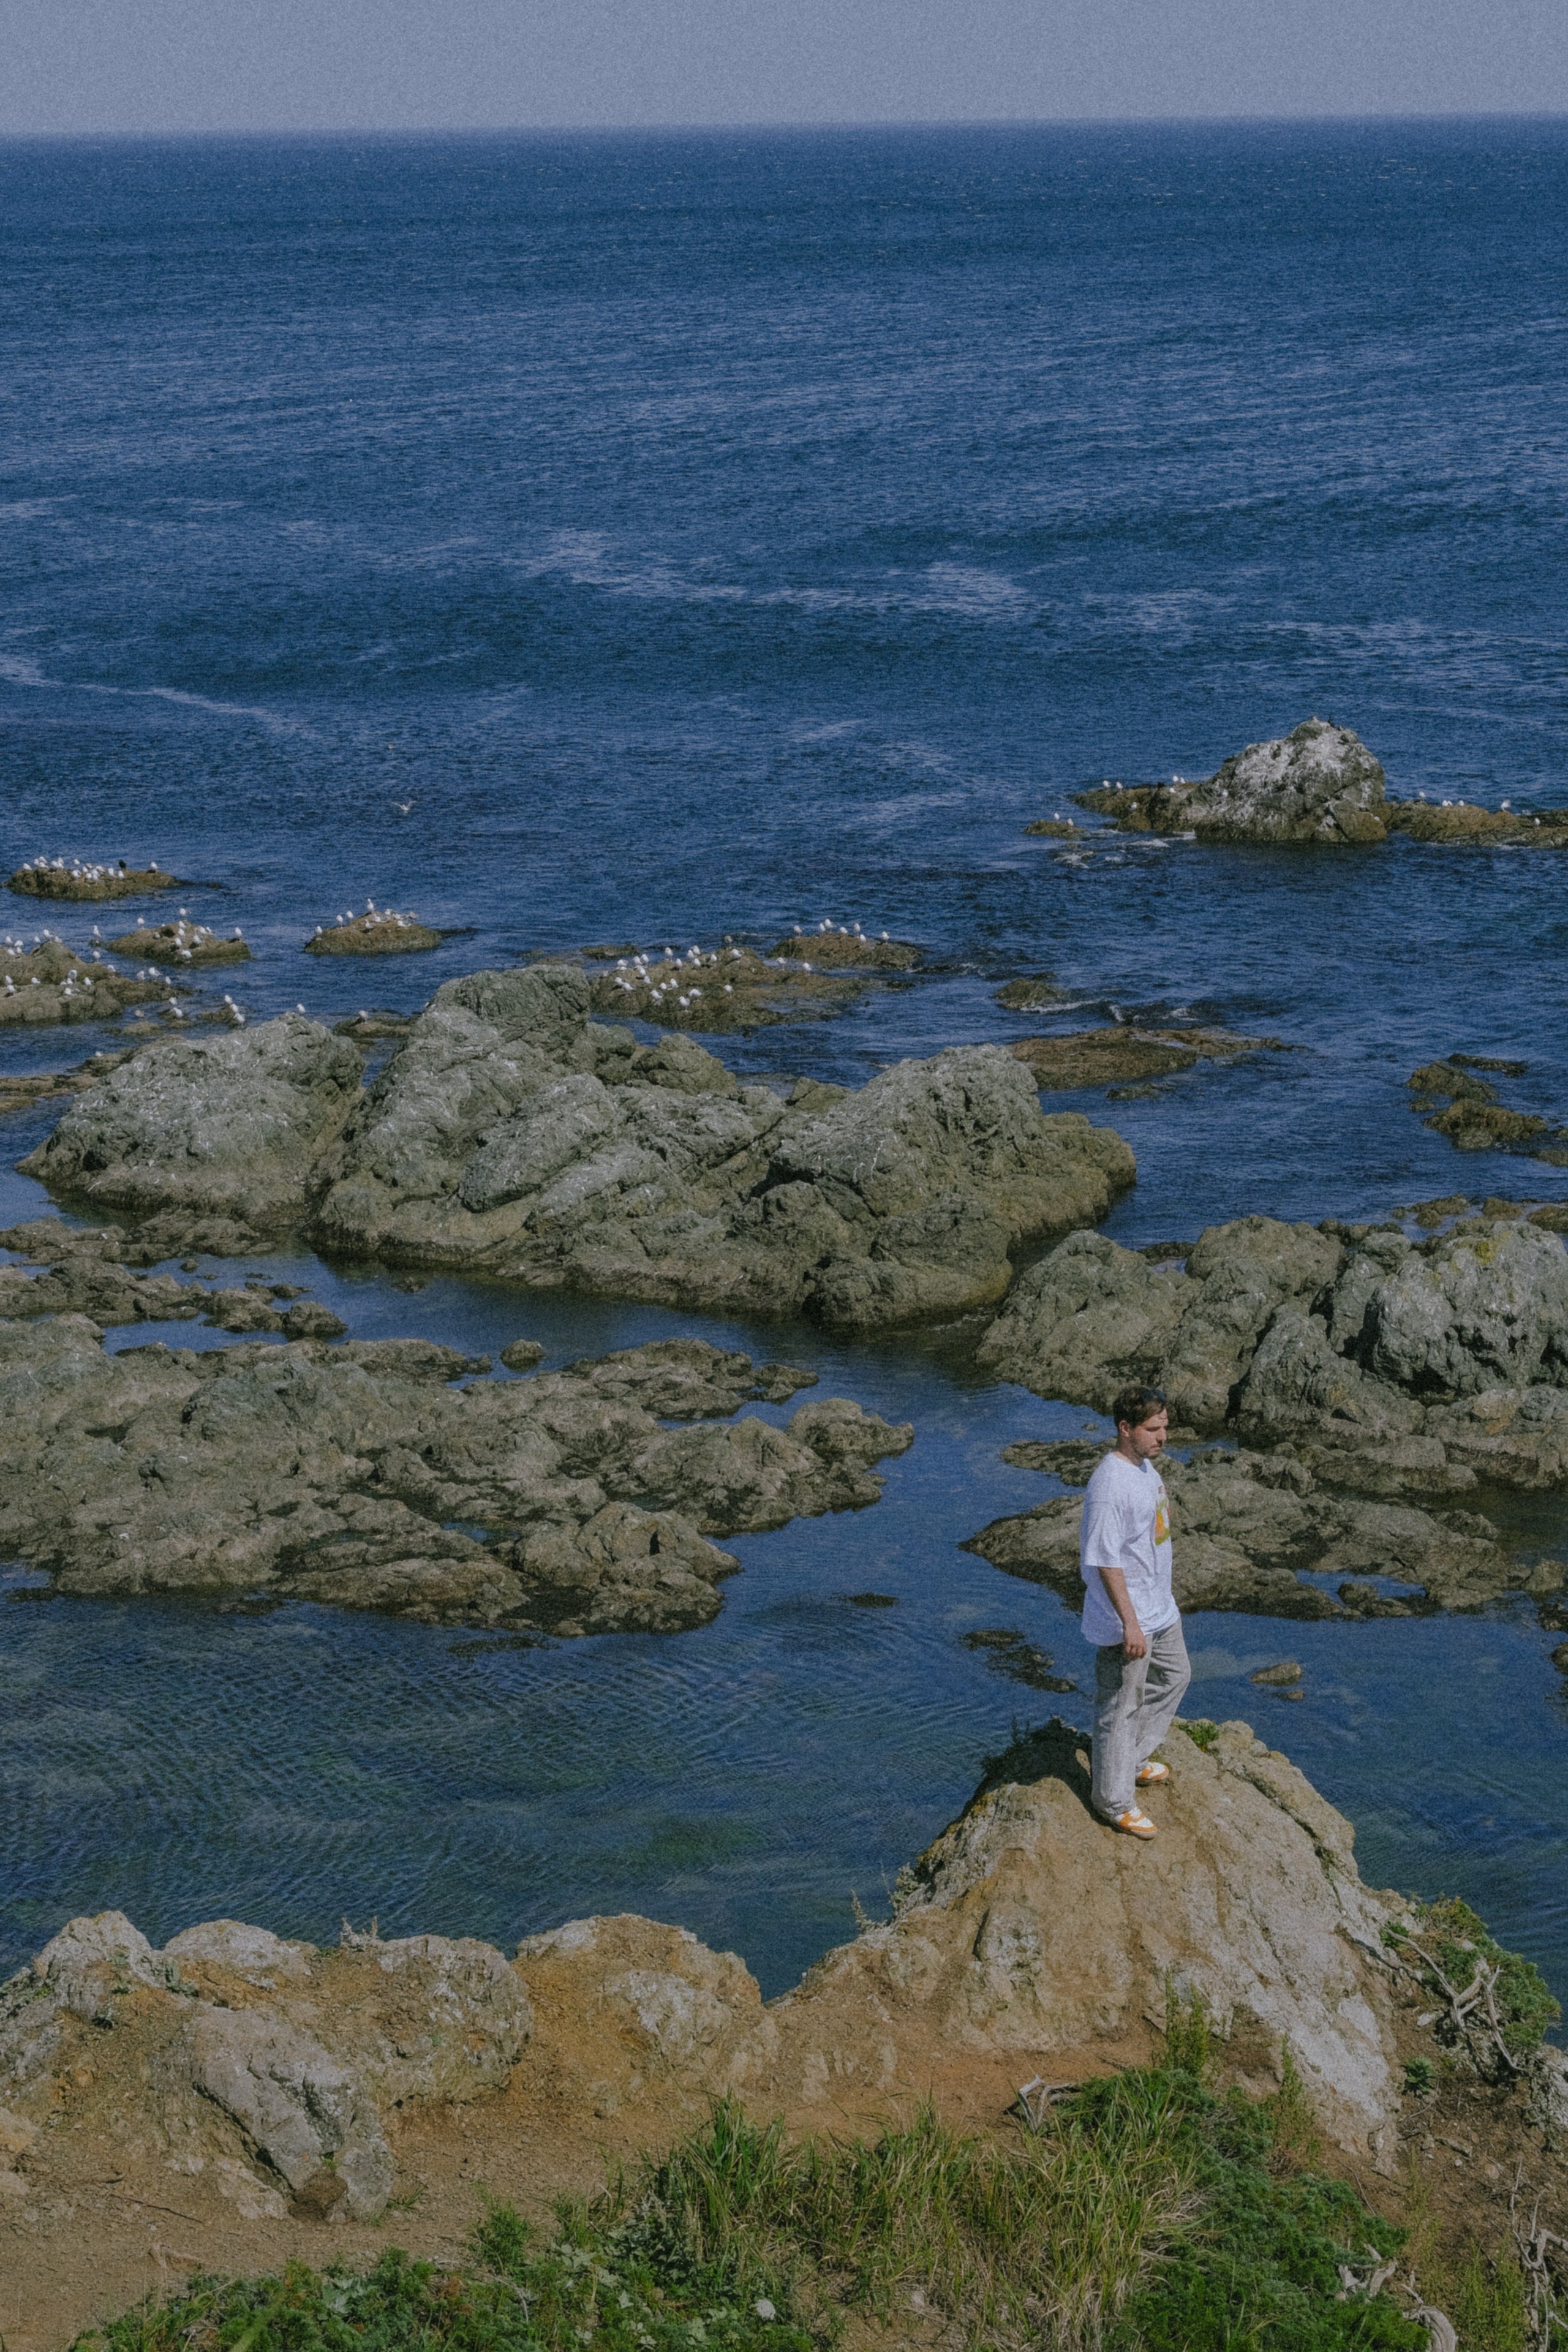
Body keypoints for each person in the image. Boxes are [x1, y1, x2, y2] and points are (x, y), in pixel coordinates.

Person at [1079, 1383, 1190, 1839]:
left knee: (1176, 1676)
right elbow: (1104, 1559)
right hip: (1130, 1619)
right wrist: (1130, 1623)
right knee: (1120, 1706)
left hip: (1159, 1609)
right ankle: (1113, 1799)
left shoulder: (1144, 1467)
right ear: (1125, 1429)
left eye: (1164, 1427)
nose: (1163, 1437)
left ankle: (1132, 1760)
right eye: (1153, 1429)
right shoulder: (1110, 1485)